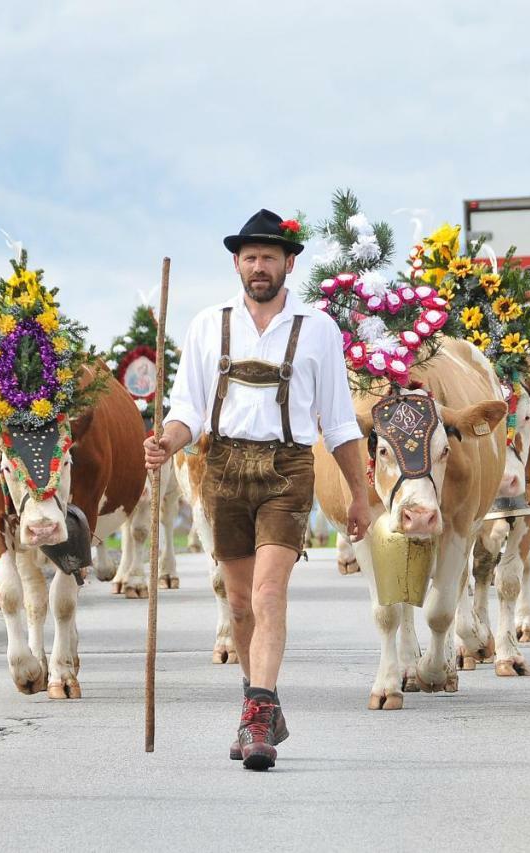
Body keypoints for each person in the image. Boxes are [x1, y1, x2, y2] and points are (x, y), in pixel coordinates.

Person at [145, 208, 371, 771]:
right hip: (221, 469)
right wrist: (167, 444)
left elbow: (339, 423)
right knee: (239, 602)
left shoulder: (318, 328)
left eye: (269, 256)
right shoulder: (208, 325)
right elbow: (187, 413)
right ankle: (260, 701)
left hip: (288, 470)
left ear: (289, 263)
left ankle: (256, 715)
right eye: (249, 257)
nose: (259, 266)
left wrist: (360, 494)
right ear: (237, 265)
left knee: (270, 594)